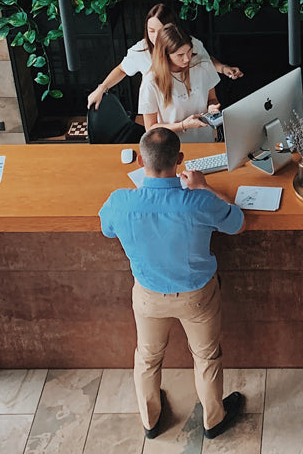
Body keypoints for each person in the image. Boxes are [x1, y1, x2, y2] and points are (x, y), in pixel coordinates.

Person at [98, 126, 246, 441]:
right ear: (180, 159)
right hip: (196, 296)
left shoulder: (121, 201)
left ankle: (151, 422)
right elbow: (236, 222)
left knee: (147, 357)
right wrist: (204, 187)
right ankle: (213, 420)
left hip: (149, 295)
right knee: (206, 356)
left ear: (140, 160)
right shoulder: (198, 202)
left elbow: (108, 230)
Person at [87, 2, 242, 109]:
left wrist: (222, 68)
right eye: (151, 30)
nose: (155, 37)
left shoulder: (189, 44)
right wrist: (102, 88)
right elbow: (122, 69)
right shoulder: (141, 51)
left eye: (160, 31)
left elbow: (204, 60)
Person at [138, 23, 219, 141]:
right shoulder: (151, 82)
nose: (187, 58)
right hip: (172, 146)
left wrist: (212, 108)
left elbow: (212, 99)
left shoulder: (203, 66)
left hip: (206, 140)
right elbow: (150, 128)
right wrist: (183, 125)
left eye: (189, 51)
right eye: (180, 55)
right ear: (165, 55)